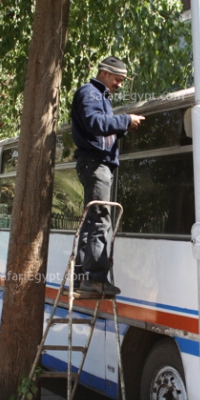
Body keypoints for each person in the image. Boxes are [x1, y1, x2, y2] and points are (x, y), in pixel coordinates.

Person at [71, 56, 145, 295]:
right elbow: (95, 123)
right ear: (104, 73)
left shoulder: (100, 97)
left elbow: (101, 133)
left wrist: (122, 128)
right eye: (117, 79)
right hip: (95, 165)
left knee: (92, 220)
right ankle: (95, 280)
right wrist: (125, 119)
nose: (120, 84)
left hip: (96, 164)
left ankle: (82, 277)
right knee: (100, 219)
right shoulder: (90, 93)